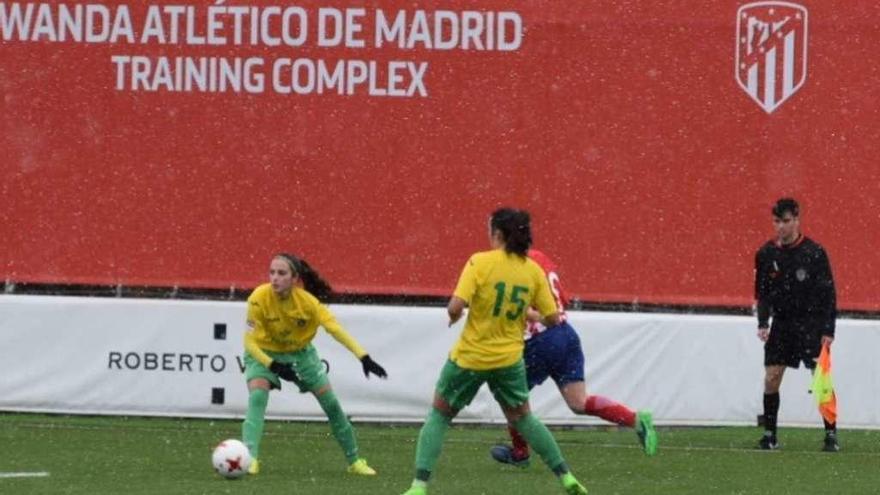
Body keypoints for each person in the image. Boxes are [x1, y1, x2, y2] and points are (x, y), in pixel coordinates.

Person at [401, 208, 589, 495]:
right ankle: (566, 476)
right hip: (509, 360)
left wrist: (454, 316)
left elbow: (455, 306)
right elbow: (552, 318)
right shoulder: (532, 271)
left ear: (498, 234)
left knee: (440, 414)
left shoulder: (480, 262)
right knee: (524, 418)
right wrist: (527, 314)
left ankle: (419, 486)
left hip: (471, 357)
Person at [489, 249, 657, 467]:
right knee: (578, 402)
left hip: (541, 339)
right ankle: (635, 420)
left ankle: (521, 453)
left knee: (511, 397)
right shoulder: (541, 258)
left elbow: (517, 306)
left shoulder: (516, 266)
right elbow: (561, 299)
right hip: (566, 333)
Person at [241, 253, 389, 475]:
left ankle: (355, 461)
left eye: (281, 273)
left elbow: (335, 329)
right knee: (258, 396)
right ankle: (250, 459)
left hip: (301, 355)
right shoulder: (258, 298)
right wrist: (272, 365)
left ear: (294, 278)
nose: (274, 278)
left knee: (331, 404)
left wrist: (363, 357)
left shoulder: (309, 304)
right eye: (272, 272)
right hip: (263, 354)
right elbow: (248, 342)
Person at [754, 198, 838, 452]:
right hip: (782, 325)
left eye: (786, 221)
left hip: (811, 324)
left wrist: (828, 329)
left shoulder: (814, 252)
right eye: (777, 221)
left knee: (820, 380)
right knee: (771, 377)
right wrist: (763, 322)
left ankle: (831, 435)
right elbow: (763, 294)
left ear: (797, 220)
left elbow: (828, 293)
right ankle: (770, 435)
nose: (781, 227)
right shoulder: (766, 254)